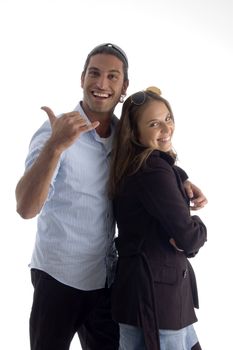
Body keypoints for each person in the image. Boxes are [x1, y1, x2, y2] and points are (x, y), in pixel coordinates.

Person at [15, 43, 206, 350]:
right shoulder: (55, 131)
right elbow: (25, 208)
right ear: (82, 78)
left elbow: (151, 161)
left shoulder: (125, 136)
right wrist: (55, 147)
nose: (102, 84)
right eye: (95, 73)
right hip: (58, 277)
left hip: (106, 279)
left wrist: (181, 180)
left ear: (123, 87)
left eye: (112, 76)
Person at [109, 86, 207, 350]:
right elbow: (188, 238)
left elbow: (163, 167)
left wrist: (182, 177)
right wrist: (199, 227)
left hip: (148, 293)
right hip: (157, 295)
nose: (166, 128)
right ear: (136, 132)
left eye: (167, 118)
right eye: (154, 124)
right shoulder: (153, 171)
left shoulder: (138, 164)